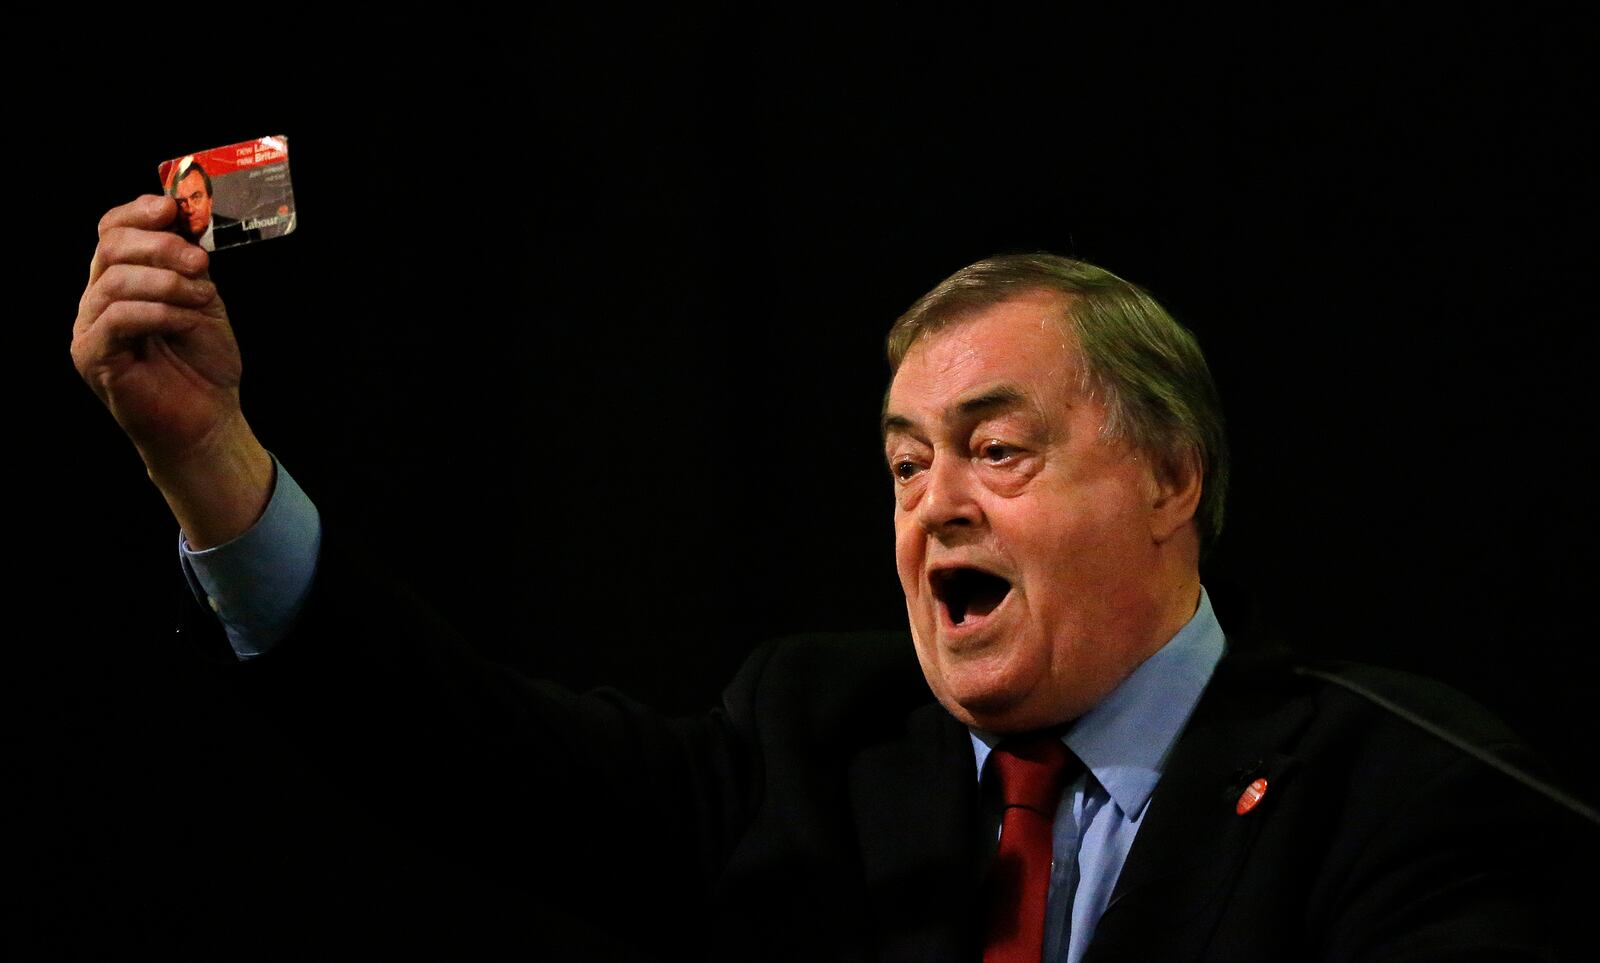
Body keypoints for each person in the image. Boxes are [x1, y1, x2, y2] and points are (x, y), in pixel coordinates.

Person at [73, 194, 1559, 960]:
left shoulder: (1396, 784)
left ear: (1171, 479)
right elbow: (467, 750)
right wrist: (209, 459)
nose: (935, 509)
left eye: (997, 448)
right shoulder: (812, 742)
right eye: (908, 466)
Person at [168, 158, 260, 252]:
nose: (190, 210)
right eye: (181, 202)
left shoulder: (245, 233)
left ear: (210, 200)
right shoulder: (170, 241)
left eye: (196, 197)